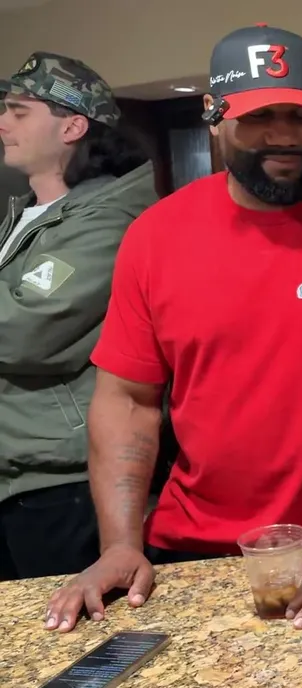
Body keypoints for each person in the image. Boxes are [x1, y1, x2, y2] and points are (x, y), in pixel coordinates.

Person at [45, 24, 302, 633]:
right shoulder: (155, 238)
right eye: (259, 116)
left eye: (301, 116)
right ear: (214, 115)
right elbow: (128, 401)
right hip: (189, 552)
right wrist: (119, 545)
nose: (283, 135)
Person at [0, 52, 156, 580]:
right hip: (18, 472)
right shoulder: (27, 215)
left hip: (64, 481)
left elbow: (25, 331)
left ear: (72, 126)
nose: (3, 123)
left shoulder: (108, 222)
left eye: (19, 111)